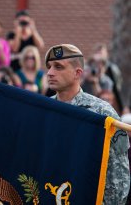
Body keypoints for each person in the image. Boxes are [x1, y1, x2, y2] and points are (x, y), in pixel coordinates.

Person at [45, 43, 130, 204]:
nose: (50, 73)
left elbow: (118, 174)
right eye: (49, 67)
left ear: (77, 73)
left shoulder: (102, 112)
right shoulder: (44, 109)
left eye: (58, 67)